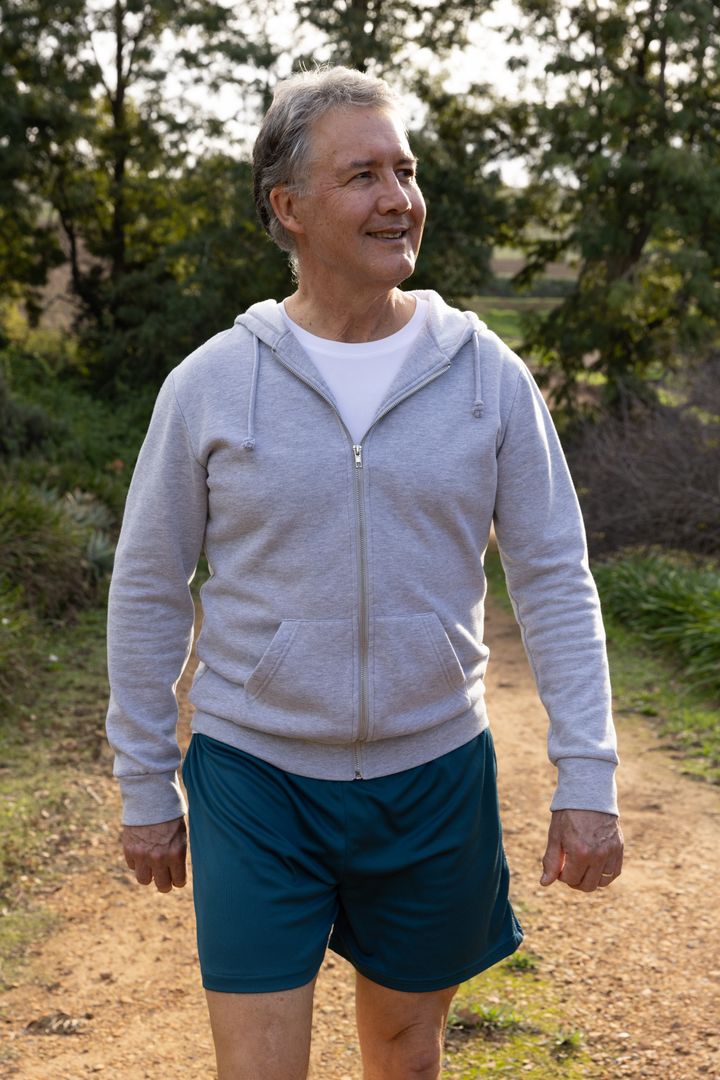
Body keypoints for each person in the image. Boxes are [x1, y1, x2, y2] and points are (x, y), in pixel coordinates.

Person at [106, 65, 623, 1080]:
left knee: (405, 1058)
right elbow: (150, 585)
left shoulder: (485, 374)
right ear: (288, 207)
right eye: (364, 176)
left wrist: (589, 775)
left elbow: (556, 576)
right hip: (256, 777)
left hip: (434, 776)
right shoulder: (213, 382)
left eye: (406, 171)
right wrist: (143, 781)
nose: (398, 198)